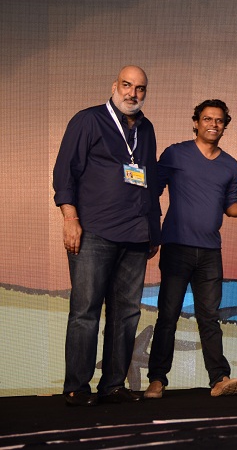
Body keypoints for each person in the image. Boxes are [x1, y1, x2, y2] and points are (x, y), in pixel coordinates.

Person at [53, 66, 160, 406]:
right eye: (127, 85)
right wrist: (70, 218)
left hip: (136, 234)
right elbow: (65, 172)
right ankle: (76, 388)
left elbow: (149, 180)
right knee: (85, 311)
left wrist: (153, 229)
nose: (133, 93)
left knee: (126, 314)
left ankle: (113, 385)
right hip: (94, 231)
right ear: (115, 86)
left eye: (140, 88)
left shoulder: (146, 128)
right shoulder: (88, 120)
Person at [144, 100, 237, 400]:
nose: (213, 124)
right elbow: (151, 191)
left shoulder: (230, 165)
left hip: (210, 252)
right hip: (176, 247)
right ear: (196, 123)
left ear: (225, 126)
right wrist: (149, 230)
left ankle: (219, 378)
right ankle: (157, 380)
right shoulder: (175, 153)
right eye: (207, 119)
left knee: (209, 317)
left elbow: (230, 207)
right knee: (168, 316)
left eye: (219, 120)